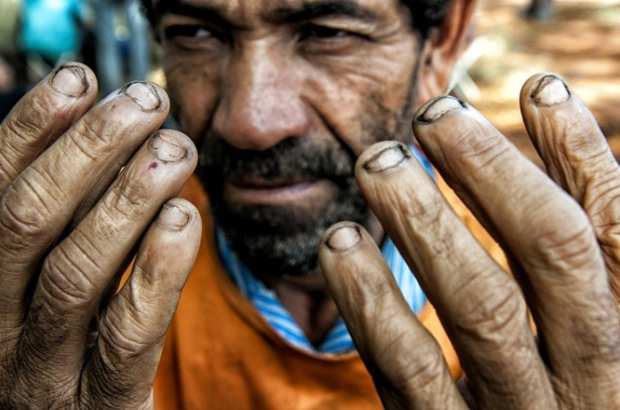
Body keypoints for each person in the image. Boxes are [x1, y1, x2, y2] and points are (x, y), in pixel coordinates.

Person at [1, 0, 619, 409]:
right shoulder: (67, 300)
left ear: (442, 41)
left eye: (327, 33)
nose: (251, 121)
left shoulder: (569, 313)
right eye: (196, 32)